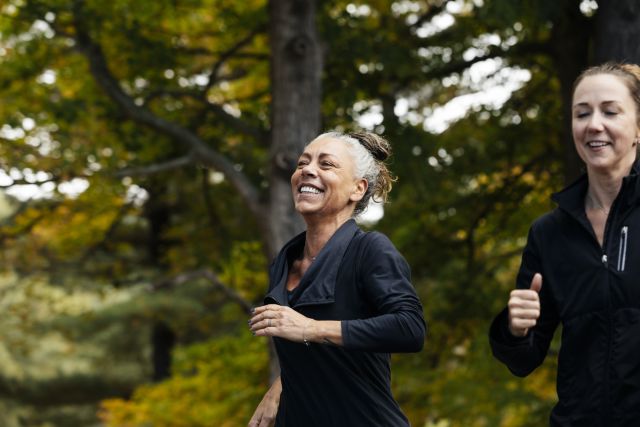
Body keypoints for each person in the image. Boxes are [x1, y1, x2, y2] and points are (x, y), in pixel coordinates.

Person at [489, 62, 640, 427]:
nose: (594, 124)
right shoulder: (549, 233)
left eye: (610, 111)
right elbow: (524, 359)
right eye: (581, 113)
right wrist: (515, 328)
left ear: (637, 127)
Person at [247, 131, 426, 427]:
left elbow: (410, 328)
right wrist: (280, 387)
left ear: (357, 189)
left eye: (326, 164)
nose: (307, 170)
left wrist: (310, 328)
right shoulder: (284, 261)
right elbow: (318, 357)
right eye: (302, 163)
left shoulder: (370, 250)